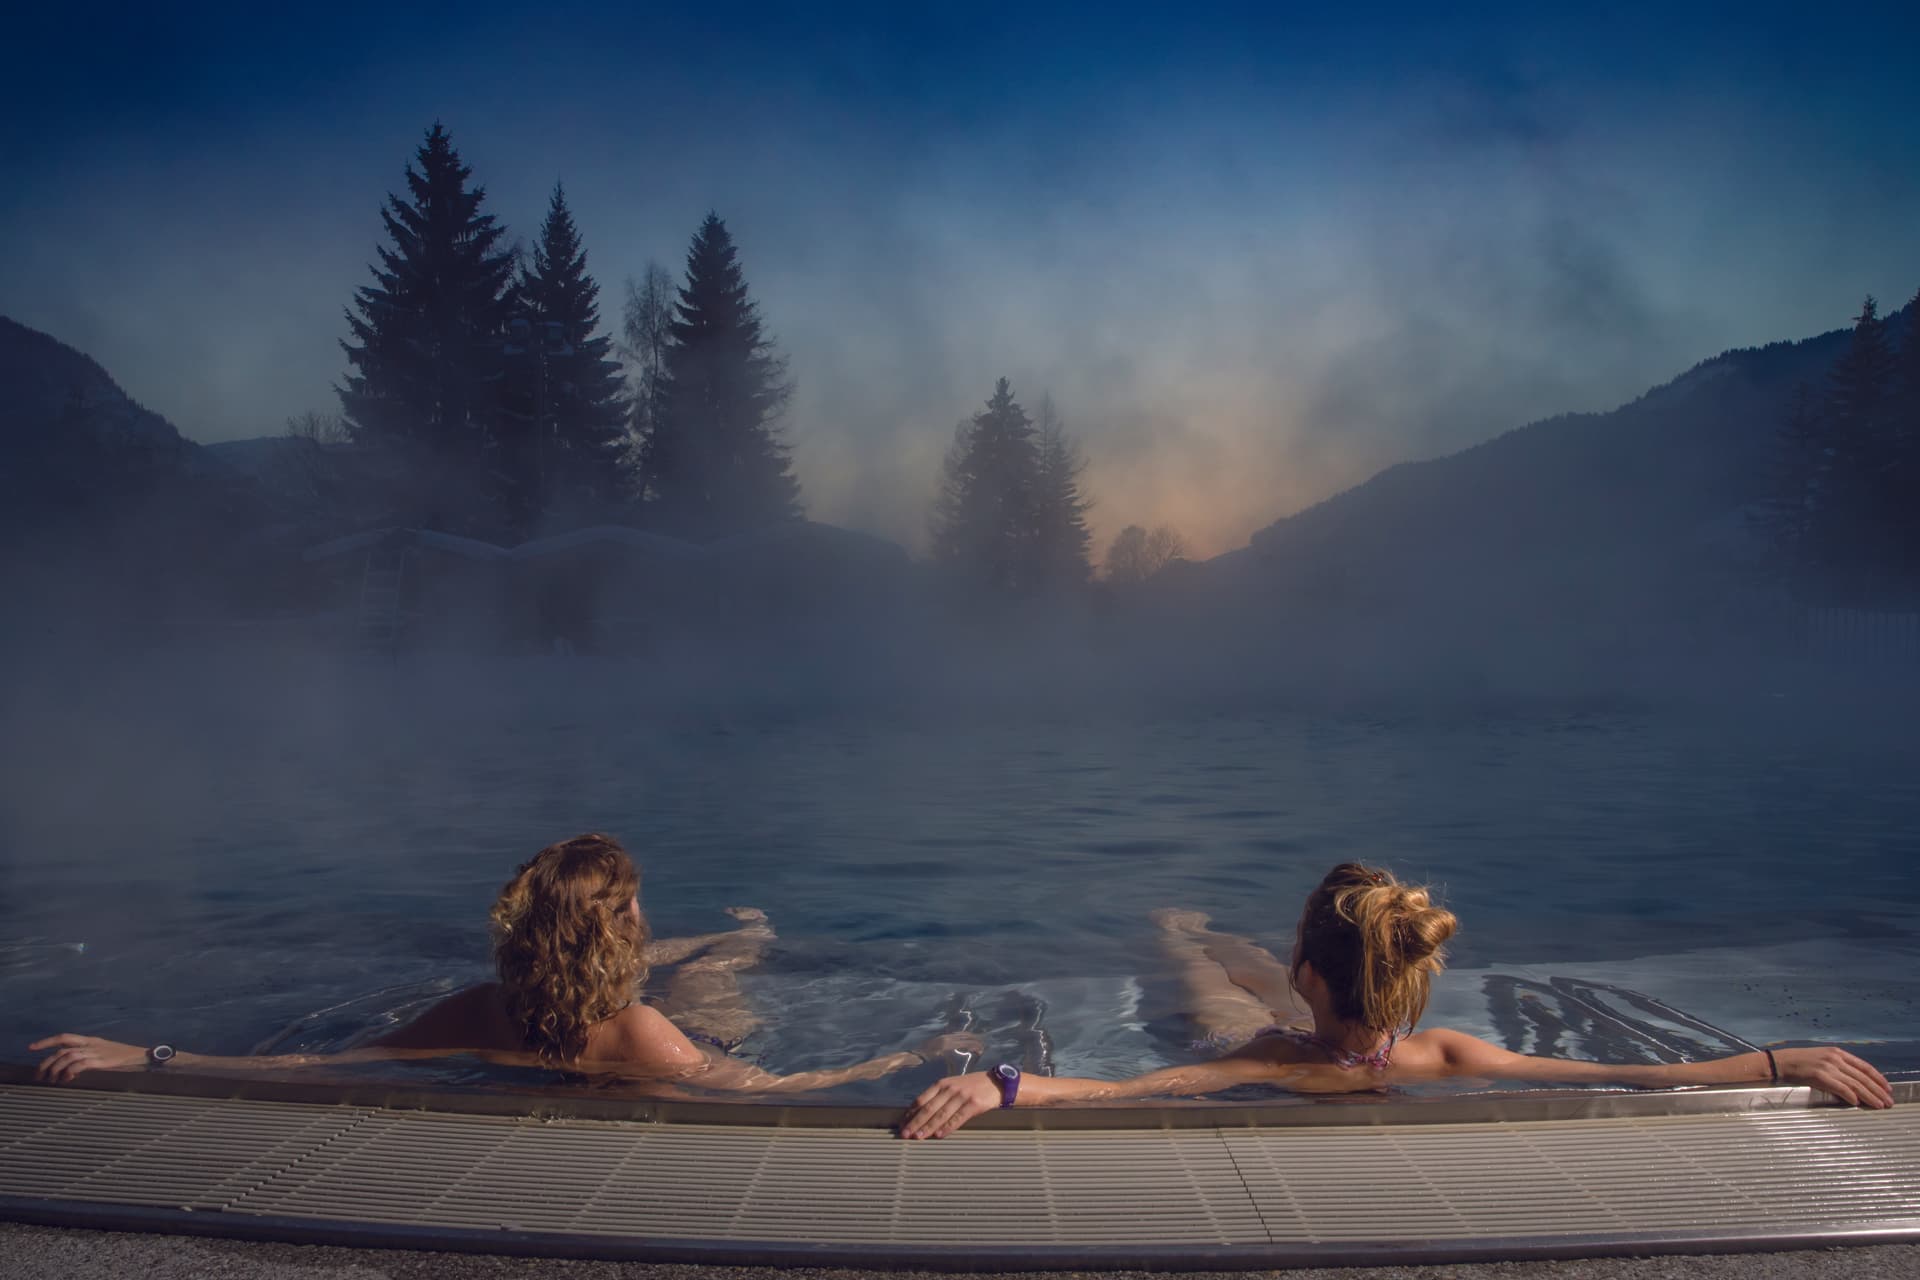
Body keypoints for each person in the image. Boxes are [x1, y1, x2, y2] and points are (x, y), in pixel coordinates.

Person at [899, 862, 1894, 1138]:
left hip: (1248, 1026)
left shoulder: (1269, 1060)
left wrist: (1004, 1079)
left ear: (1317, 973)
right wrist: (1773, 1058)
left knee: (1207, 978)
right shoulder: (1449, 1054)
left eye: (1302, 947)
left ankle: (1178, 927)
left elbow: (1130, 1089)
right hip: (1330, 1018)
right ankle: (1206, 932)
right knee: (1234, 963)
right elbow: (1632, 1071)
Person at [35, 833, 973, 1093]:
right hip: (694, 1043)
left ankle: (739, 939)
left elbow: (316, 1065)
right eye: (634, 908)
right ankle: (752, 938)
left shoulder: (484, 1009)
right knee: (718, 987)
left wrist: (152, 1055)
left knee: (693, 973)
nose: (641, 912)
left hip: (582, 1019)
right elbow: (773, 1089)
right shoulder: (644, 1031)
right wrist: (913, 1055)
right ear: (610, 931)